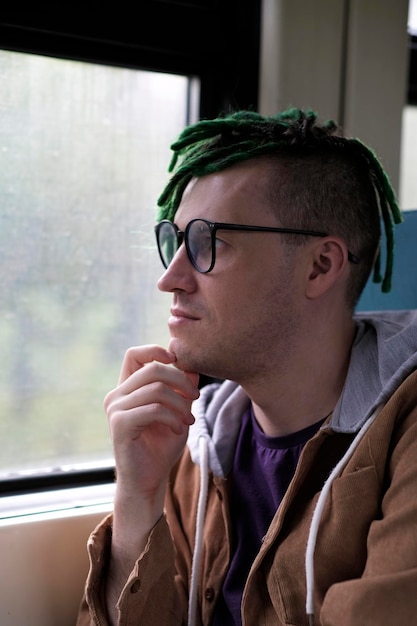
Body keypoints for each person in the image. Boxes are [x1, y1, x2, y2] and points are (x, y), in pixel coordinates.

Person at [77, 108, 417, 626]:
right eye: (175, 241)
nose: (169, 279)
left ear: (320, 265)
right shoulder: (197, 439)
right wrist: (136, 497)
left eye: (208, 242)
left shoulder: (406, 435)